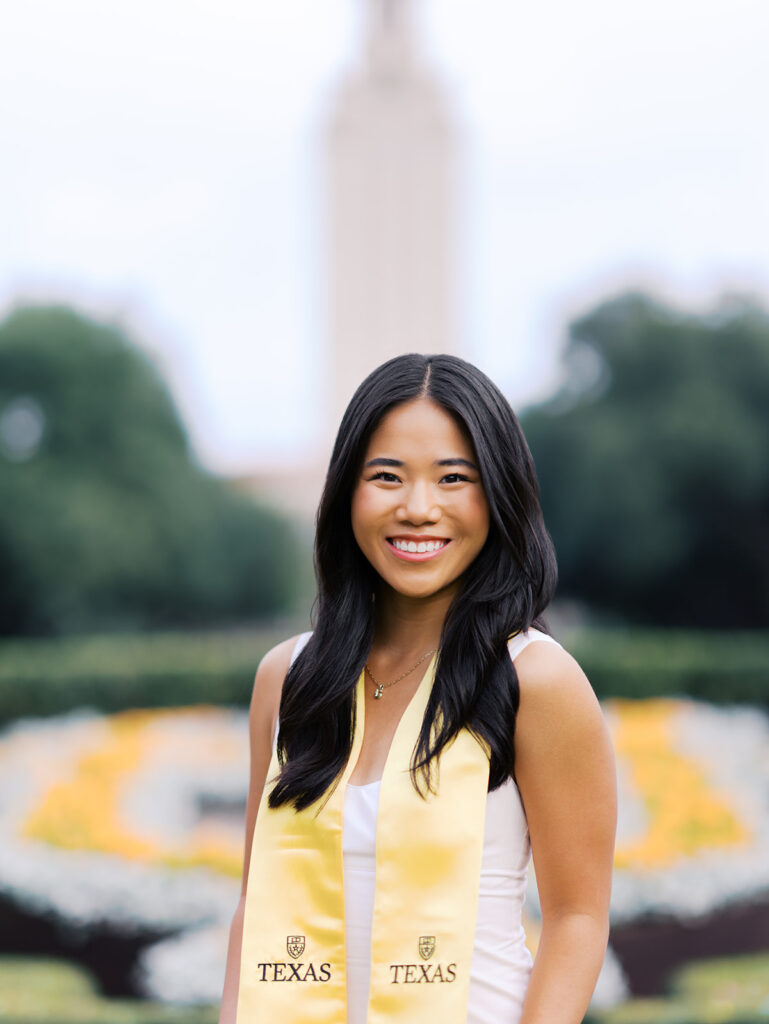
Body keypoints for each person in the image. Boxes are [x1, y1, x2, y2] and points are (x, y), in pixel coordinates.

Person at [219, 353, 617, 1024]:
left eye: (453, 478)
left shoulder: (535, 679)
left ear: (497, 493)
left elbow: (577, 918)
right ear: (347, 491)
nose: (418, 508)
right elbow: (255, 904)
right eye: (386, 477)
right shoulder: (288, 679)